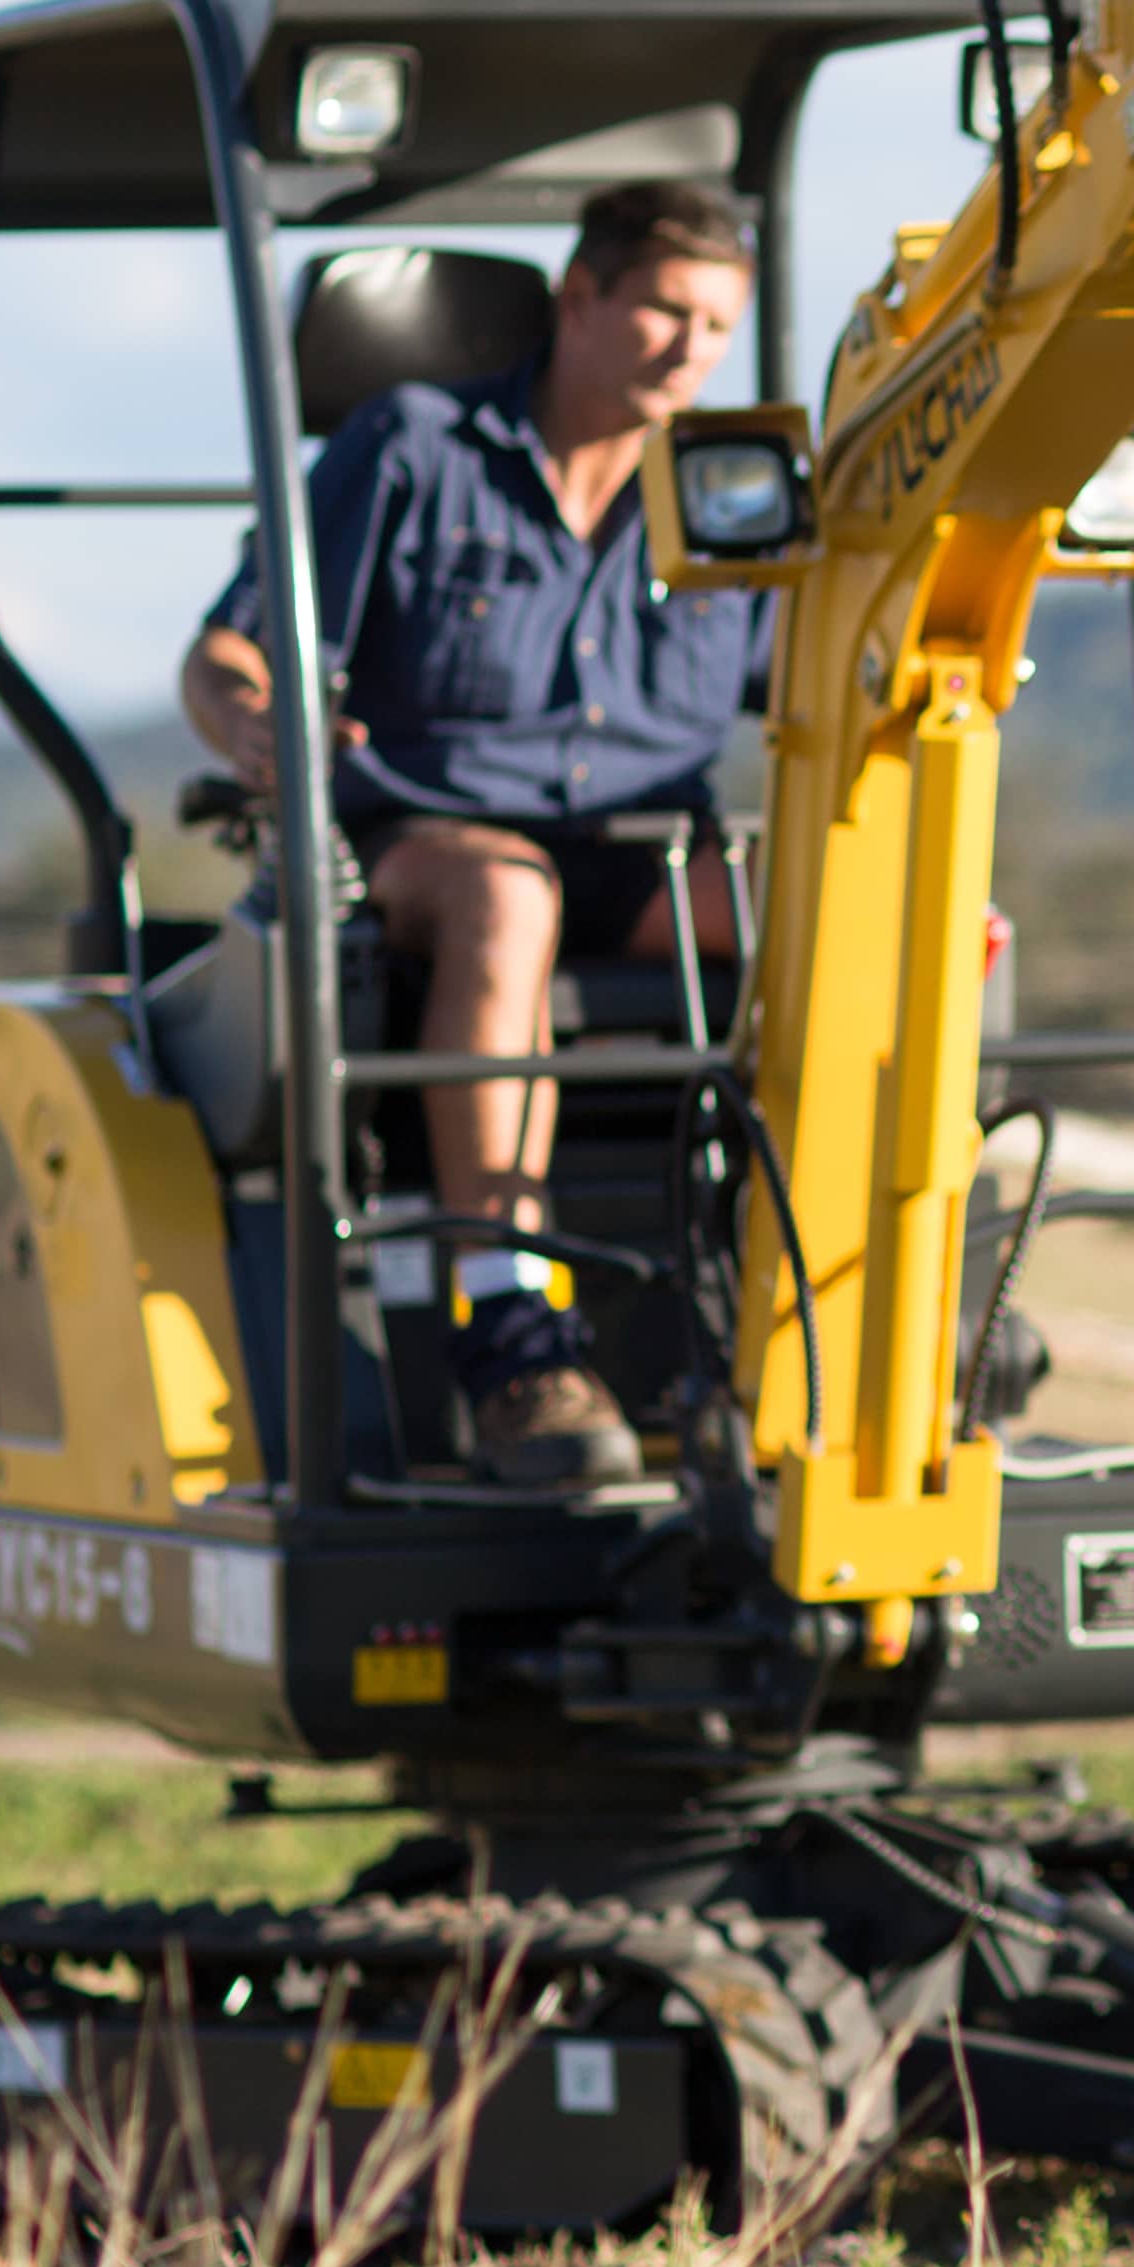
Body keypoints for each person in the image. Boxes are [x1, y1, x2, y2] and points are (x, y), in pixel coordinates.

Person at [182, 177, 772, 1488]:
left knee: (863, 902)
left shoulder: (725, 488)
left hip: (641, 851)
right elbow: (230, 650)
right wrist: (256, 727)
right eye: (666, 312)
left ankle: (849, 1288)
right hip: (430, 845)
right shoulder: (411, 448)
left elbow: (821, 676)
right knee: (512, 899)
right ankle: (508, 1325)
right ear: (580, 296)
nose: (691, 351)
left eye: (719, 328)